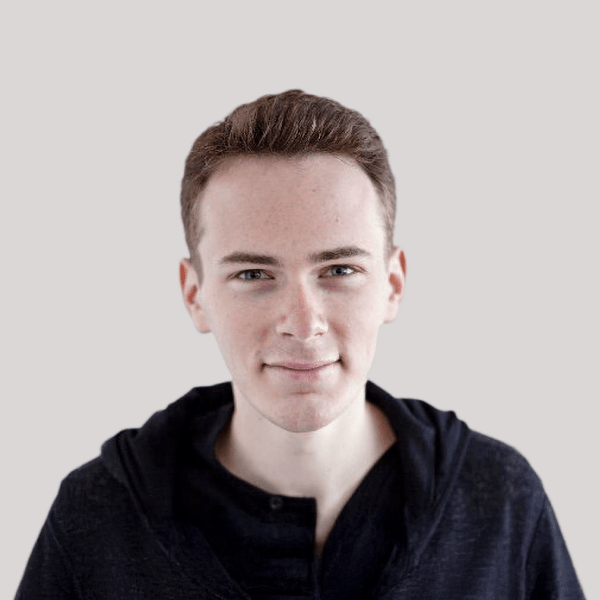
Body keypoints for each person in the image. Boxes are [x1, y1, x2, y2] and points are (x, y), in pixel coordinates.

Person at [16, 90, 585, 599]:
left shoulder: (500, 502)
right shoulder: (96, 518)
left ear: (392, 284)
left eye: (339, 270)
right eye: (253, 275)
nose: (303, 323)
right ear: (195, 295)